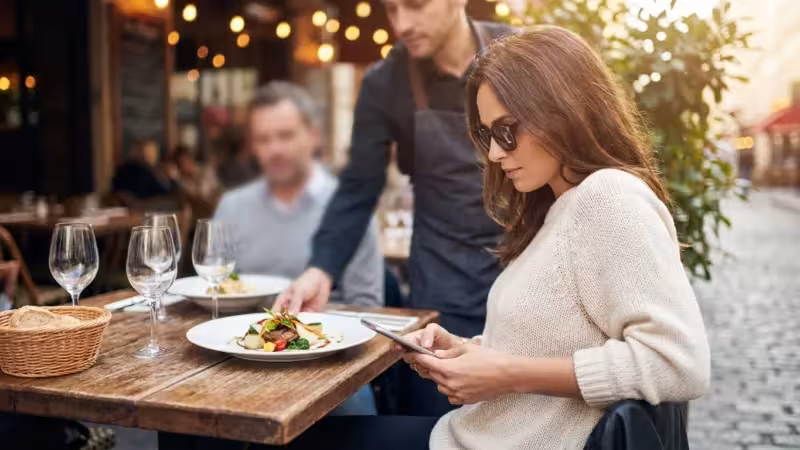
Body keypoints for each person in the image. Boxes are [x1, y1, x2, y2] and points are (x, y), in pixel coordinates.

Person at [184, 26, 709, 450]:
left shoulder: (609, 198)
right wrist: (471, 351)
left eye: (507, 129)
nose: (496, 155)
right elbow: (562, 336)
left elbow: (677, 364)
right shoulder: (556, 208)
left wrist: (503, 373)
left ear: (563, 107)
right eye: (485, 136)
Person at [273, 0, 512, 416]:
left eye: (415, 7)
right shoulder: (386, 82)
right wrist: (321, 268)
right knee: (436, 424)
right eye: (392, 9)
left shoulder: (517, 53)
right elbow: (357, 188)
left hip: (522, 274)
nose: (402, 24)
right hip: (442, 285)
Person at [211, 81, 383, 418]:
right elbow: (213, 292)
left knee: (355, 416)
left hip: (330, 364)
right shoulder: (232, 208)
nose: (275, 149)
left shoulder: (349, 210)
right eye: (264, 139)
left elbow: (367, 306)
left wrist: (305, 338)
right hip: (241, 361)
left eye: (286, 135)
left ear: (314, 136)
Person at [111, 139, 177, 201]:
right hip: (142, 208)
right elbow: (163, 193)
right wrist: (172, 180)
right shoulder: (139, 170)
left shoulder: (123, 169)